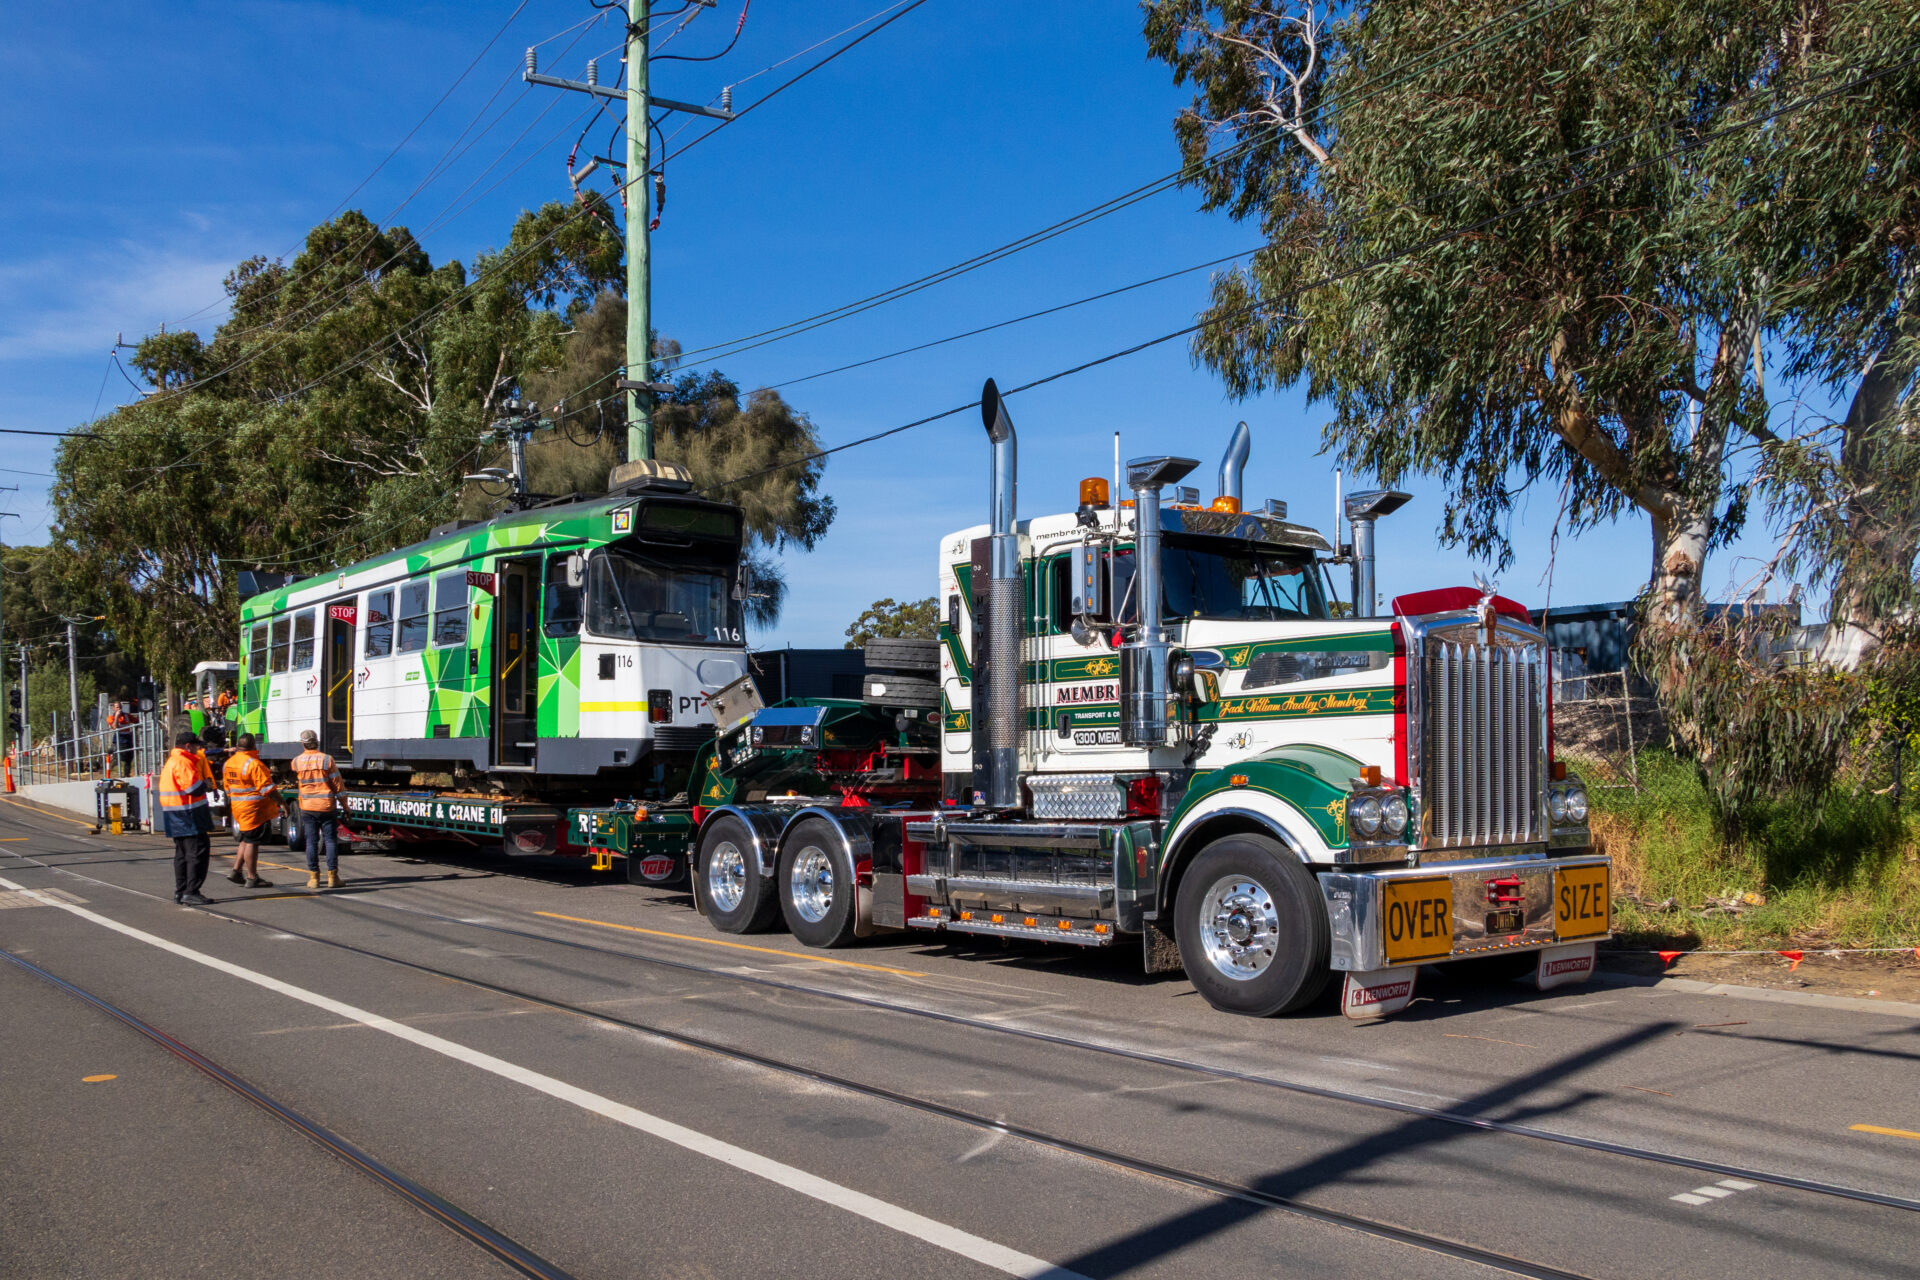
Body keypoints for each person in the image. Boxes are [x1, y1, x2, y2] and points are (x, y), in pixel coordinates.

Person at [158, 730, 216, 905]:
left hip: (175, 813)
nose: (198, 749)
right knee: (196, 852)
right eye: (196, 746)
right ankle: (191, 891)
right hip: (188, 814)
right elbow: (192, 788)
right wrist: (206, 784)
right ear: (188, 746)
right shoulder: (183, 762)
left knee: (182, 854)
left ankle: (181, 890)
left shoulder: (172, 761)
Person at [221, 733, 278, 889]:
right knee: (252, 842)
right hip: (253, 809)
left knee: (245, 839)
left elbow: (227, 788)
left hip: (238, 808)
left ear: (238, 746)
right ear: (254, 746)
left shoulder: (228, 763)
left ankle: (236, 870)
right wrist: (283, 805)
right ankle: (252, 877)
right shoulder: (254, 764)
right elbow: (268, 789)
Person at [291, 729, 346, 890]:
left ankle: (314, 878)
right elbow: (338, 785)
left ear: (303, 744)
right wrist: (345, 805)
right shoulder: (327, 760)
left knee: (311, 841)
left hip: (307, 807)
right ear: (317, 741)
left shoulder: (296, 762)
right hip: (326, 805)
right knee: (330, 840)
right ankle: (332, 877)